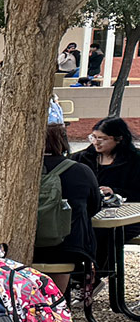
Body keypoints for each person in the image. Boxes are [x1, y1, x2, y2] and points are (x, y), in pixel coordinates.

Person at [40, 125, 101, 293]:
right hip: (69, 248)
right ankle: (57, 303)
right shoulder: (80, 170)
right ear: (63, 142)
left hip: (17, 246)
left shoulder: (13, 170)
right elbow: (94, 206)